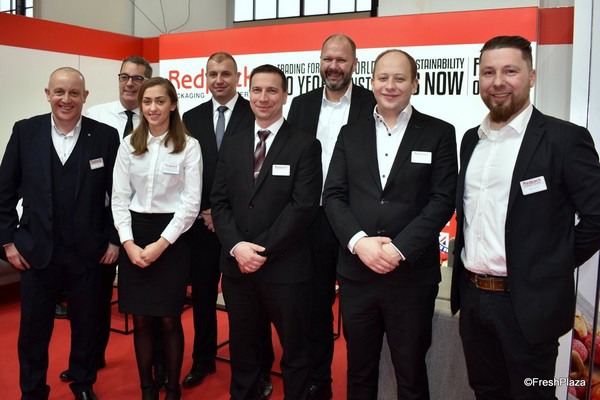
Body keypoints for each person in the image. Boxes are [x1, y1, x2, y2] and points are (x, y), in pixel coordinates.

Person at [450, 35, 600, 399]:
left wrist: (550, 265)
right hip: (474, 300)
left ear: (531, 77)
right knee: (486, 392)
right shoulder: (471, 140)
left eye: (510, 71)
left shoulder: (564, 139)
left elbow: (597, 216)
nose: (497, 81)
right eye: (488, 72)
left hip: (528, 305)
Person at [322, 49, 457, 400]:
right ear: (372, 82)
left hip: (411, 277)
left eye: (400, 78)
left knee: (411, 372)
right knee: (360, 370)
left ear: (415, 83)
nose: (390, 85)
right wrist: (359, 242)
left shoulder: (439, 133)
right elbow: (333, 195)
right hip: (357, 275)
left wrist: (398, 249)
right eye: (383, 78)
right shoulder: (350, 133)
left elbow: (443, 200)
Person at [0, 67, 120, 400]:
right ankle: (33, 390)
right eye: (59, 92)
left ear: (85, 96)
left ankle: (83, 383)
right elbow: (4, 192)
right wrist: (8, 242)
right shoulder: (25, 132)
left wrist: (113, 239)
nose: (66, 99)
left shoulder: (106, 136)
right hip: (36, 252)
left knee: (87, 326)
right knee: (33, 330)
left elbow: (119, 194)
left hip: (89, 252)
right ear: (48, 94)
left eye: (73, 93)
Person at [211, 64, 322, 400]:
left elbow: (303, 207)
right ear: (249, 94)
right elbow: (219, 202)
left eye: (272, 90)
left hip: (285, 268)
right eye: (257, 90)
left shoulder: (305, 145)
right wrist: (237, 247)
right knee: (243, 348)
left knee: (295, 351)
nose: (263, 97)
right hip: (237, 268)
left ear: (285, 96)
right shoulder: (232, 144)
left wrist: (259, 250)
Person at [285, 33, 376, 400]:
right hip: (311, 221)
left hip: (357, 222)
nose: (333, 66)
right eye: (328, 59)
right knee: (315, 305)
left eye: (341, 60)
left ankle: (363, 385)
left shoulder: (372, 102)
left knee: (358, 313)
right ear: (319, 61)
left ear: (354, 64)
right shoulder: (301, 105)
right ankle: (319, 381)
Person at [58, 55, 156, 384]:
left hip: (146, 222)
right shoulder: (96, 116)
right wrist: (112, 234)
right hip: (102, 224)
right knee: (94, 301)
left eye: (137, 78)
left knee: (148, 300)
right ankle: (89, 360)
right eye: (124, 76)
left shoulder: (158, 118)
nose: (129, 83)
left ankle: (156, 365)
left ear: (148, 83)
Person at [111, 77, 202, 400]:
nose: (153, 108)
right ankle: (147, 389)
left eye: (160, 101)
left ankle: (173, 389)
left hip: (173, 238)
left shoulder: (189, 145)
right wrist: (128, 243)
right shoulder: (129, 144)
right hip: (135, 235)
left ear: (173, 105)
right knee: (141, 320)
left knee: (168, 319)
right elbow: (119, 198)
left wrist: (162, 244)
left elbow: (190, 204)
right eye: (147, 101)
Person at [179, 52, 259, 391]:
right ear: (205, 77)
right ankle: (203, 358)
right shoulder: (191, 117)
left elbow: (257, 171)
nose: (219, 80)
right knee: (202, 298)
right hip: (201, 225)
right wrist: (206, 210)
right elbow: (186, 170)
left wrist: (224, 214)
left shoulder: (254, 112)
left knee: (249, 304)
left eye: (226, 73)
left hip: (242, 226)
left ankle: (254, 369)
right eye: (213, 74)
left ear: (238, 77)